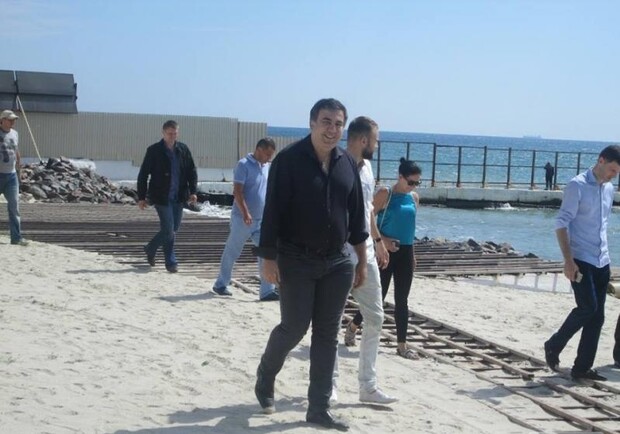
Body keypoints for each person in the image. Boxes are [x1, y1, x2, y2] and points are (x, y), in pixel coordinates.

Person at [254, 98, 367, 432]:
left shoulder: (347, 163)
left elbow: (357, 218)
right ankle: (266, 373)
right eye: (326, 122)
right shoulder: (288, 160)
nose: (332, 129)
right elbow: (272, 212)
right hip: (296, 258)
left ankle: (318, 408)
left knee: (327, 335)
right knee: (294, 327)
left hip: (338, 262)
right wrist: (268, 259)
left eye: (338, 124)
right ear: (312, 123)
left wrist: (361, 261)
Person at [332, 116, 397, 405]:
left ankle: (367, 387)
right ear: (363, 140)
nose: (377, 145)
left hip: (367, 252)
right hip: (340, 255)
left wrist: (379, 241)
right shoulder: (336, 165)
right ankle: (329, 385)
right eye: (376, 140)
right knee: (331, 322)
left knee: (376, 317)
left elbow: (368, 208)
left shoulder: (368, 168)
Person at [544, 145, 620, 381]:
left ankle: (582, 368)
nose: (614, 175)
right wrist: (568, 261)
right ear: (601, 160)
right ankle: (554, 344)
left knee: (597, 317)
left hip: (602, 259)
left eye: (617, 173)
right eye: (613, 170)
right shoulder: (577, 185)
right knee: (588, 308)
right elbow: (561, 224)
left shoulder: (609, 188)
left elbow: (602, 225)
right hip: (581, 259)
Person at [355, 158, 421, 360]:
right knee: (378, 297)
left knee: (402, 299)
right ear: (400, 176)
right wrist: (382, 241)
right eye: (410, 182)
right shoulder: (386, 193)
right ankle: (354, 325)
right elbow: (367, 220)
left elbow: (410, 228)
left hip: (405, 252)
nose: (413, 186)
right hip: (385, 252)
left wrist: (413, 254)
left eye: (417, 183)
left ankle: (402, 346)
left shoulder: (414, 198)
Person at [212, 137, 279, 301]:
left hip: (261, 220)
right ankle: (221, 284)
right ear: (259, 149)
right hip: (243, 219)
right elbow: (237, 192)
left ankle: (267, 291)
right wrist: (245, 213)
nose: (269, 158)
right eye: (267, 154)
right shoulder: (243, 165)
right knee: (232, 251)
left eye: (271, 155)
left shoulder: (266, 167)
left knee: (266, 252)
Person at [137, 120, 198, 273]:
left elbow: (191, 171)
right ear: (163, 133)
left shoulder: (183, 149)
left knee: (173, 228)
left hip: (179, 196)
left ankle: (150, 248)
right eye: (169, 134)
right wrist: (141, 197)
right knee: (168, 229)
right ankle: (171, 262)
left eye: (175, 133)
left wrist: (193, 191)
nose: (172, 136)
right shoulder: (154, 150)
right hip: (161, 196)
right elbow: (143, 174)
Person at [0, 110, 27, 246]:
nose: (13, 122)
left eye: (14, 120)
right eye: (10, 119)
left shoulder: (15, 134)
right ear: (2, 120)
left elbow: (16, 151)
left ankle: (16, 238)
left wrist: (19, 169)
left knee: (14, 206)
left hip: (11, 175)